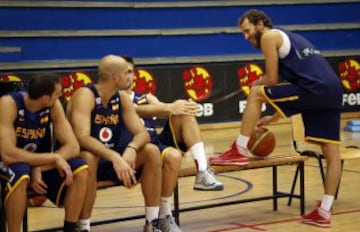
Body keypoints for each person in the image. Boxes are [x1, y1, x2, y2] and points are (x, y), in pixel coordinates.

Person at [210, 9, 342, 228]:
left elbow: (271, 80)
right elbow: (287, 85)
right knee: (331, 152)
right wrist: (270, 118)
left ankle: (239, 151)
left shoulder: (270, 37)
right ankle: (324, 212)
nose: (246, 37)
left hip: (314, 88)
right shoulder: (291, 39)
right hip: (332, 89)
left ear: (261, 24)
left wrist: (255, 85)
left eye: (247, 31)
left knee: (256, 92)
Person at [66, 55, 162, 232]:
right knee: (89, 156)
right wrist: (114, 156)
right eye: (127, 73)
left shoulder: (122, 98)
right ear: (115, 77)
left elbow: (143, 134)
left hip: (113, 162)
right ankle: (83, 226)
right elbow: (82, 138)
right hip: (83, 164)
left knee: (151, 151)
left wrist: (132, 149)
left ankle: (152, 223)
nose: (131, 77)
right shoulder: (85, 96)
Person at [0, 73, 89, 232]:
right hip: (9, 163)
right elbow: (8, 154)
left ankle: (70, 228)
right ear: (45, 98)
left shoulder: (54, 106)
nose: (61, 96)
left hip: (40, 164)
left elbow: (73, 147)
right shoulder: (8, 104)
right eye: (58, 94)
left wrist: (40, 167)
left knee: (81, 169)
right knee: (21, 174)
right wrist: (53, 157)